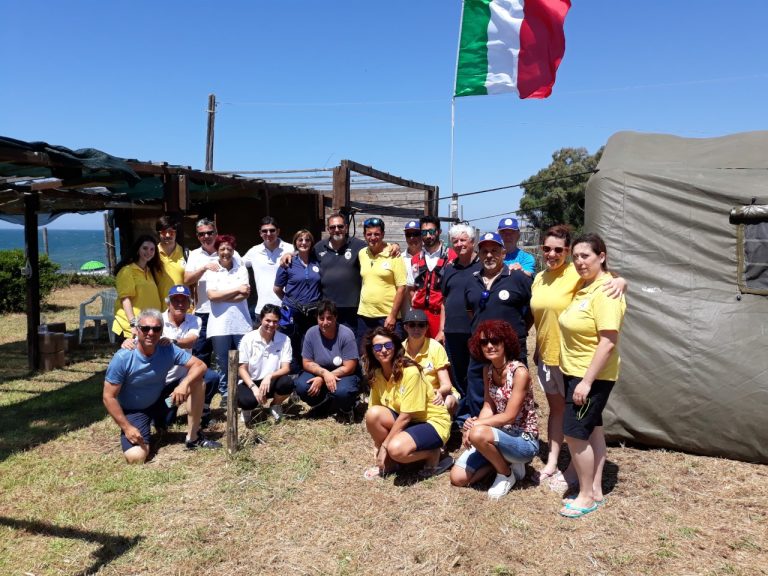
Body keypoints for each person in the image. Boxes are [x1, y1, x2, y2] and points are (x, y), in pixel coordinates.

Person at [530, 225, 626, 487]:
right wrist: (538, 347)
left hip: (571, 360)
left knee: (578, 421)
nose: (552, 254)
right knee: (556, 411)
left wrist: (621, 280)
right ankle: (552, 461)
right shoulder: (539, 278)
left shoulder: (576, 271)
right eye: (547, 249)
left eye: (559, 250)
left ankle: (574, 472)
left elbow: (606, 277)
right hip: (546, 357)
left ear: (567, 251)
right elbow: (542, 318)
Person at [557, 233, 626, 518]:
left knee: (574, 435)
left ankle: (585, 496)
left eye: (585, 255)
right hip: (575, 372)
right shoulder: (587, 286)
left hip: (590, 377)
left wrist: (586, 381)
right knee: (593, 429)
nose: (579, 261)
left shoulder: (606, 292)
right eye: (576, 257)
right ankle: (595, 488)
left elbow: (608, 342)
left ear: (602, 256)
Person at [103, 309, 222, 464]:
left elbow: (199, 365)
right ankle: (148, 425)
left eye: (156, 329)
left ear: (161, 331)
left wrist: (184, 385)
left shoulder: (167, 348)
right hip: (136, 411)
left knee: (197, 381)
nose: (150, 333)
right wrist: (127, 428)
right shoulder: (123, 357)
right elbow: (108, 396)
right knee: (136, 457)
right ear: (137, 329)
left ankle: (193, 438)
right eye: (145, 328)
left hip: (164, 403)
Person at [281, 212, 401, 345]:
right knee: (329, 344)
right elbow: (304, 251)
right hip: (327, 308)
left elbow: (376, 244)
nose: (336, 230)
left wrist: (394, 245)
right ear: (328, 229)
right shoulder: (319, 247)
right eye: (332, 227)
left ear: (346, 227)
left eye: (340, 226)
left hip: (353, 309)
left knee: (352, 344)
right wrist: (290, 254)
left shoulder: (359, 246)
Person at [450, 320, 539, 499]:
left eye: (495, 341)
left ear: (505, 342)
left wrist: (474, 426)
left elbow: (509, 416)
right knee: (457, 478)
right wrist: (474, 426)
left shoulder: (520, 372)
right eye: (484, 342)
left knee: (477, 434)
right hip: (498, 435)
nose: (489, 346)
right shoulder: (488, 370)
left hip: (523, 440)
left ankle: (505, 475)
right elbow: (488, 406)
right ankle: (502, 462)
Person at [121, 285, 221, 427]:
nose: (180, 304)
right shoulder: (157, 319)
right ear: (168, 302)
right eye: (175, 300)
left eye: (184, 300)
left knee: (211, 378)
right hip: (162, 381)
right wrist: (128, 342)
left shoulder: (194, 320)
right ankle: (171, 403)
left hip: (183, 376)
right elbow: (140, 339)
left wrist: (172, 342)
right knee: (163, 423)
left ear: (189, 304)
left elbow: (192, 341)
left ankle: (202, 411)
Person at [362, 327, 453, 479]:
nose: (383, 350)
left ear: (396, 347)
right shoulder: (377, 374)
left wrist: (385, 446)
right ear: (372, 351)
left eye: (388, 345)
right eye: (377, 347)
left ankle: (432, 453)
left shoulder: (410, 371)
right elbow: (376, 409)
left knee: (395, 448)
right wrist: (378, 445)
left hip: (431, 421)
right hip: (408, 420)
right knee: (373, 414)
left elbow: (406, 416)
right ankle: (391, 463)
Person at [463, 232, 532, 420]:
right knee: (478, 390)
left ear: (503, 254)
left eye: (494, 250)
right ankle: (479, 433)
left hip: (511, 349)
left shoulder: (518, 279)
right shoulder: (472, 280)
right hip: (481, 348)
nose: (489, 255)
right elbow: (471, 312)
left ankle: (513, 439)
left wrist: (518, 330)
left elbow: (532, 309)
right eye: (484, 251)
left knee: (512, 394)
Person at [184, 218, 242, 367]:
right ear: (197, 236)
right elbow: (187, 279)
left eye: (210, 233)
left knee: (230, 353)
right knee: (201, 351)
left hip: (226, 310)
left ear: (216, 233)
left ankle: (230, 387)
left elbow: (241, 279)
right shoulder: (195, 254)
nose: (206, 237)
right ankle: (203, 387)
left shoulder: (228, 251)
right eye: (201, 234)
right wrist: (204, 268)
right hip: (204, 311)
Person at [205, 234, 252, 406]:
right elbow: (211, 295)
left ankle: (241, 388)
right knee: (222, 360)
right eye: (222, 249)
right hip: (219, 324)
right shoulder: (212, 269)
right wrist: (236, 289)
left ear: (233, 251)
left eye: (229, 249)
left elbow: (245, 294)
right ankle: (225, 392)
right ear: (217, 251)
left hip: (241, 322)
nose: (226, 252)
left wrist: (223, 296)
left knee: (243, 358)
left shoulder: (240, 268)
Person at [439, 223, 481, 418]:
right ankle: (460, 411)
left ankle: (475, 411)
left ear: (472, 242)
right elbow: (444, 301)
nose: (459, 244)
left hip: (474, 330)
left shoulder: (482, 266)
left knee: (474, 373)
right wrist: (442, 329)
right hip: (452, 330)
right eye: (455, 241)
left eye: (463, 240)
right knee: (456, 372)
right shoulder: (449, 269)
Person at [295, 300, 360, 421]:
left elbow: (350, 367)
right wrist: (324, 374)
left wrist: (323, 377)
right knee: (301, 386)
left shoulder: (346, 334)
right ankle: (322, 404)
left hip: (344, 373)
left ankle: (347, 407)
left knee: (343, 391)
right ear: (317, 318)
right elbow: (306, 362)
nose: (325, 322)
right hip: (321, 371)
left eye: (329, 318)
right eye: (321, 318)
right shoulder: (311, 333)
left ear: (336, 317)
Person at [274, 229, 323, 372]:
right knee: (290, 344)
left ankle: (309, 374)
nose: (303, 243)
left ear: (311, 243)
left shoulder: (317, 261)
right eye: (300, 240)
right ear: (295, 242)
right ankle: (294, 378)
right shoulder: (288, 262)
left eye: (307, 240)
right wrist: (289, 302)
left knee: (310, 344)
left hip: (312, 311)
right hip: (290, 311)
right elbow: (277, 288)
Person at [237, 304, 295, 423]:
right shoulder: (248, 338)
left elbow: (286, 368)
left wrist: (269, 376)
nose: (271, 325)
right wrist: (253, 388)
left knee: (287, 383)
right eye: (268, 320)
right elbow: (242, 368)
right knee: (246, 400)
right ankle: (246, 410)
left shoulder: (284, 339)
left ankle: (275, 404)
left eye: (275, 321)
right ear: (261, 319)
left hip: (271, 381)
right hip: (250, 381)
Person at [406, 215, 456, 339]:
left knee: (441, 354)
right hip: (420, 316)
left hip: (441, 315)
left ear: (439, 232)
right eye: (424, 232)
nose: (428, 236)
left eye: (432, 231)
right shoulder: (415, 259)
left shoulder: (452, 257)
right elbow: (411, 289)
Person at [402, 309, 458, 417]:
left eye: (421, 325)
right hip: (411, 394)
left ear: (427, 327)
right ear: (405, 327)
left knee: (448, 401)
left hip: (435, 393)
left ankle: (446, 424)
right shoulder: (400, 349)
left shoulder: (435, 347)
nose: (416, 329)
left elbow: (446, 384)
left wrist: (439, 393)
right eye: (412, 325)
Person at [357, 217, 407, 337]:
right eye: (369, 234)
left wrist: (392, 316)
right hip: (365, 316)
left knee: (391, 354)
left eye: (377, 234)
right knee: (364, 354)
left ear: (383, 234)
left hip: (386, 316)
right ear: (364, 235)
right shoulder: (362, 253)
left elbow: (402, 287)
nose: (373, 237)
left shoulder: (394, 254)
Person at [112, 235, 163, 341]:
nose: (148, 252)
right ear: (138, 249)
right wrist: (133, 324)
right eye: (145, 248)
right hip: (131, 327)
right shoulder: (127, 270)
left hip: (147, 326)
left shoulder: (149, 271)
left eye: (152, 249)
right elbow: (125, 298)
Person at [242, 216, 294, 318]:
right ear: (260, 233)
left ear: (278, 231)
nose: (268, 234)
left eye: (272, 230)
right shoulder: (254, 251)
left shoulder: (290, 249)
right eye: (265, 231)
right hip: (262, 309)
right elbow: (237, 264)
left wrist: (292, 254)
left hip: (285, 307)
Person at [155, 215, 187, 310]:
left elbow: (193, 284)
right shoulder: (152, 254)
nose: (168, 235)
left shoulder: (187, 254)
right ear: (158, 233)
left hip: (183, 310)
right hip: (159, 311)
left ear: (176, 233)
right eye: (164, 232)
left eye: (171, 232)